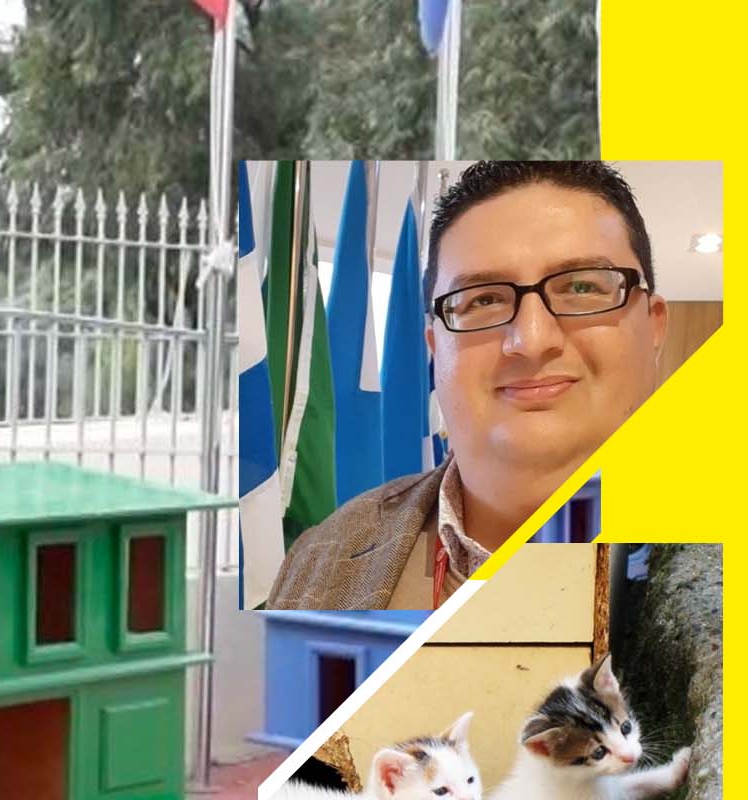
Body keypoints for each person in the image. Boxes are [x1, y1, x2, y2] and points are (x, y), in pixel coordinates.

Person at [268, 161, 668, 610]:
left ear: (653, 327)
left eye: (581, 287)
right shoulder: (320, 554)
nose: (532, 341)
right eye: (483, 300)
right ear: (435, 347)